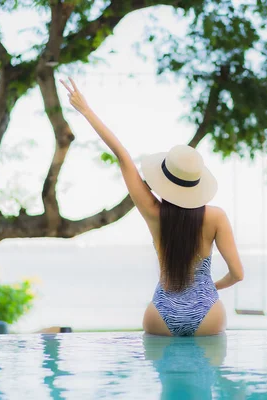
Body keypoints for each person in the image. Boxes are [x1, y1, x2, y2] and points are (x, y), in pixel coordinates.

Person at [61, 77, 244, 336]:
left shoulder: (154, 213)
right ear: (197, 183)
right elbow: (237, 274)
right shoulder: (216, 217)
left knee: (167, 375)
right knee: (207, 375)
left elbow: (123, 157)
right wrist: (210, 287)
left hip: (162, 312)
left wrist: (86, 111)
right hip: (208, 313)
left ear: (166, 180)